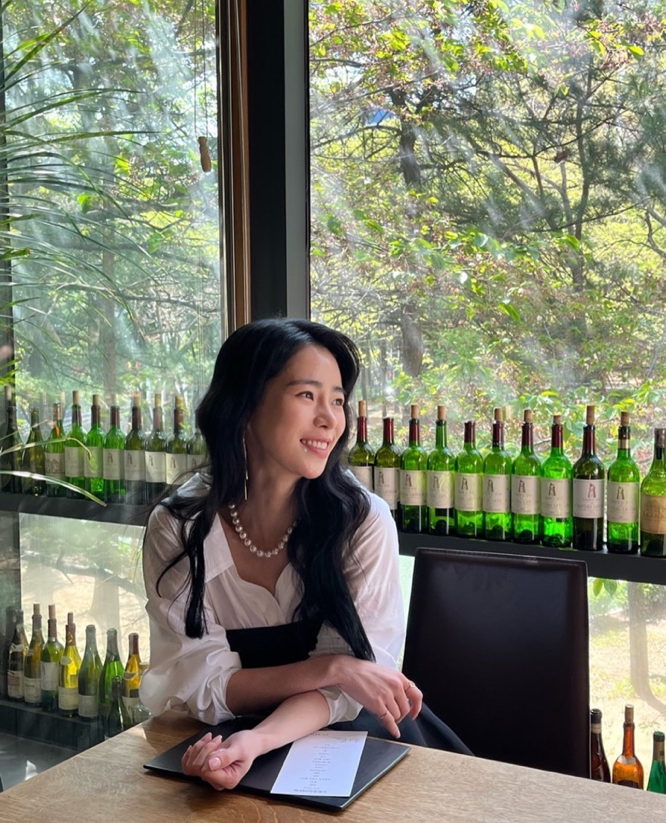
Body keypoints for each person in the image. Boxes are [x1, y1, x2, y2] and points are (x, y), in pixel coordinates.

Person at [140, 318, 469, 792]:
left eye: (337, 400)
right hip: (227, 738)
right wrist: (333, 668)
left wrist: (260, 738)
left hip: (353, 737)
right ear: (245, 405)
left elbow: (351, 691)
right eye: (307, 395)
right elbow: (199, 680)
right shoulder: (181, 527)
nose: (330, 419)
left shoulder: (361, 521)